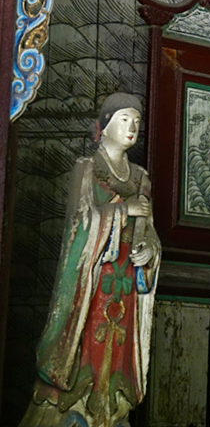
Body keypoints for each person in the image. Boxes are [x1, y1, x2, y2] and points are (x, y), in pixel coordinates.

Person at [21, 93, 161, 427]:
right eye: (124, 119)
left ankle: (110, 413)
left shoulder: (141, 177)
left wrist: (150, 251)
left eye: (137, 121)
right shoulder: (86, 169)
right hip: (91, 284)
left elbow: (150, 231)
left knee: (118, 352)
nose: (132, 127)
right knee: (86, 344)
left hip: (125, 284)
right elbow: (81, 222)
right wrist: (122, 210)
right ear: (105, 124)